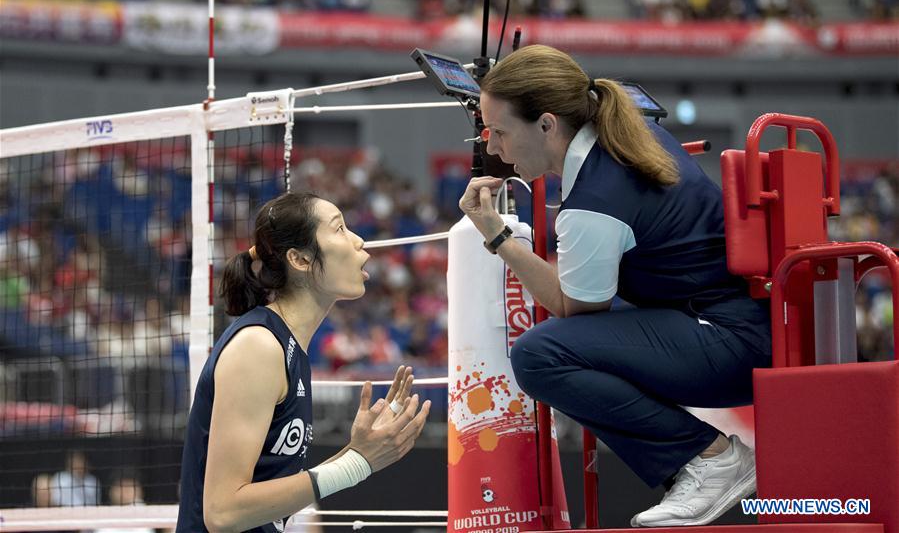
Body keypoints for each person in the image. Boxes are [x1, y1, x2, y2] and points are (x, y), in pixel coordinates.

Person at [459, 45, 771, 527]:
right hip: (743, 321)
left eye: (499, 132)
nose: (494, 150)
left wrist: (498, 236)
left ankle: (711, 458)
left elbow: (571, 309)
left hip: (729, 341)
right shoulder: (634, 133)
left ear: (546, 125)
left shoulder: (593, 204)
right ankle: (706, 458)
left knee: (540, 355)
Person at [177, 192, 431, 533]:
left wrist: (359, 453)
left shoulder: (290, 347)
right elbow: (223, 512)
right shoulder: (259, 346)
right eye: (339, 228)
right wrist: (356, 463)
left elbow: (266, 496)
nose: (358, 241)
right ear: (299, 259)